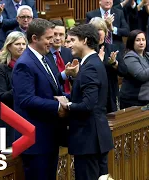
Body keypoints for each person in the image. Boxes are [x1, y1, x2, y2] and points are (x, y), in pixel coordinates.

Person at [55, 24, 113, 180]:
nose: (68, 45)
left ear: (85, 40)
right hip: (95, 137)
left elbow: (88, 105)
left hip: (89, 139)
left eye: (72, 40)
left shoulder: (90, 67)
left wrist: (67, 105)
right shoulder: (92, 63)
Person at [11, 18, 65, 180]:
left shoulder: (45, 58)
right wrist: (58, 106)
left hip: (48, 137)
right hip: (35, 140)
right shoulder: (25, 64)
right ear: (34, 38)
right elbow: (26, 100)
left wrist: (70, 100)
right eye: (48, 38)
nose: (53, 41)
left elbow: (53, 91)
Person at [0, 31, 27, 147]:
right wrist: (20, 88)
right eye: (17, 44)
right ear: (9, 46)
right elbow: (2, 96)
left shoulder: (29, 66)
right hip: (6, 120)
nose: (21, 47)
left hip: (24, 116)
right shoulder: (1, 68)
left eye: (23, 44)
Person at [89, 17, 124, 112]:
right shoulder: (87, 50)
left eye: (100, 29)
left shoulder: (113, 48)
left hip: (111, 92)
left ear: (106, 32)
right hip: (94, 93)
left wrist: (114, 63)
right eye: (95, 30)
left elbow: (124, 71)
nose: (98, 33)